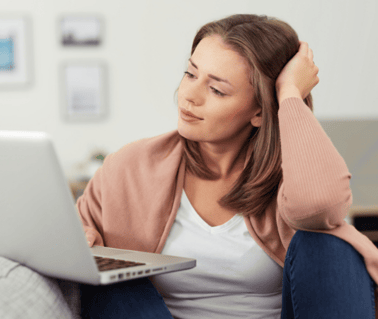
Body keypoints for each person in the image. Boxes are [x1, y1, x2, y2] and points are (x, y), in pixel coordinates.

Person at [76, 14, 378, 318]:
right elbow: (75, 230)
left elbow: (320, 206)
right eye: (190, 74)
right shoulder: (131, 166)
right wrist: (80, 240)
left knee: (329, 246)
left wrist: (289, 96)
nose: (188, 96)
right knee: (113, 283)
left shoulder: (291, 177)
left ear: (259, 112)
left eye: (216, 90)